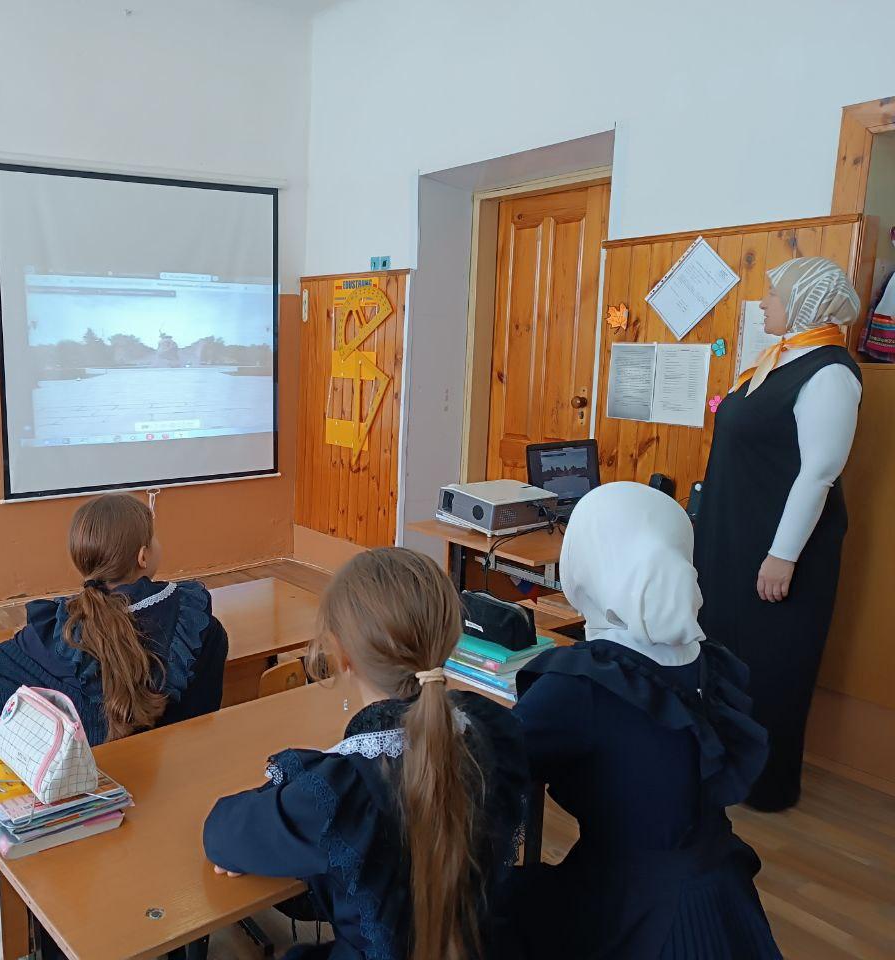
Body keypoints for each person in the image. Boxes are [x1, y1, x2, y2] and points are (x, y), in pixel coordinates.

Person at [203, 547, 528, 960]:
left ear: (341, 655)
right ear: (449, 638)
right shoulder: (493, 730)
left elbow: (221, 833)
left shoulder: (343, 787)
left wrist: (277, 799)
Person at [511, 482, 780, 959]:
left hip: (631, 907)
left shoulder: (584, 683)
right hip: (719, 895)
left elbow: (501, 754)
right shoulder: (711, 663)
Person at [0, 492, 229, 941]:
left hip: (69, 835)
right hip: (169, 827)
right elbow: (201, 722)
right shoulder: (200, 627)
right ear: (143, 555)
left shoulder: (51, 633)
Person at [693, 256, 863, 811]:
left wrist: (782, 556)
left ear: (806, 303)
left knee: (771, 669)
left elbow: (818, 472)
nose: (763, 303)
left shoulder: (830, 372)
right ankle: (722, 768)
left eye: (772, 294)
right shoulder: (779, 360)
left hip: (777, 552)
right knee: (723, 657)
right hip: (734, 538)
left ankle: (765, 786)